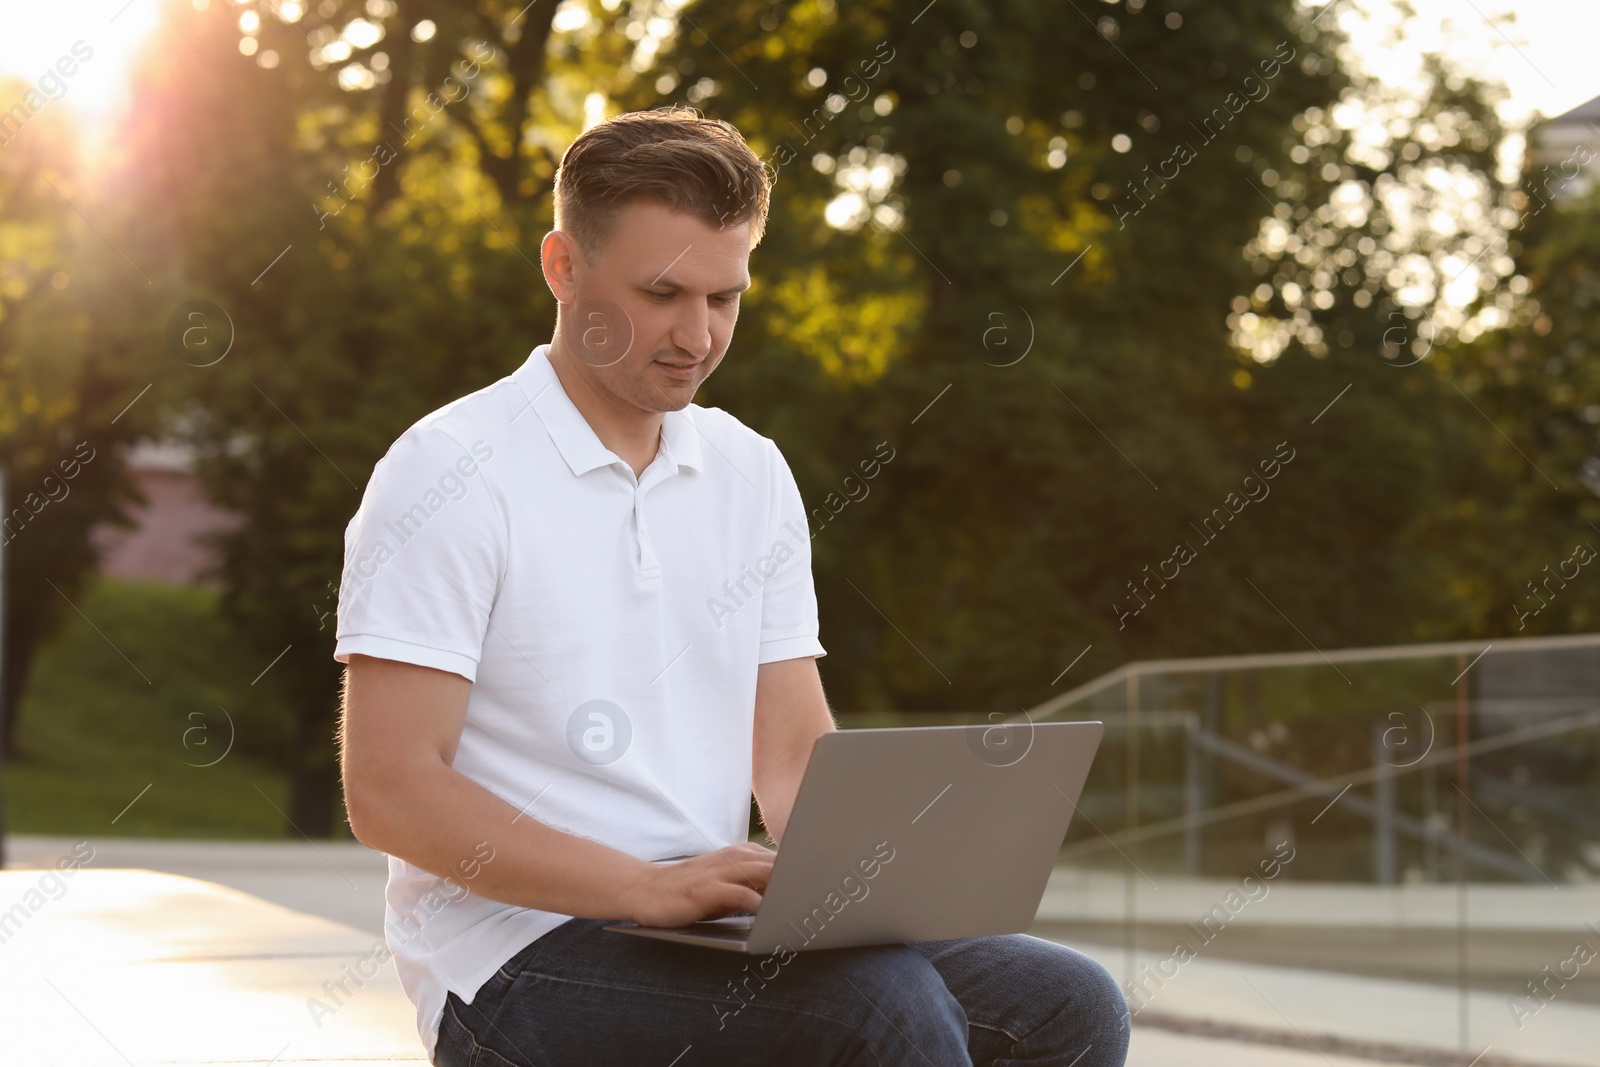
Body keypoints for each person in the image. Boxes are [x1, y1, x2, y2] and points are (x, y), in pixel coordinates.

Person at [335, 106, 1129, 1067]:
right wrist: (639, 885)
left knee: (1070, 1002)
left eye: (725, 297)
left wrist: (868, 884)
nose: (696, 335)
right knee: (879, 1011)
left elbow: (793, 758)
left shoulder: (750, 472)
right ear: (562, 266)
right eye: (662, 292)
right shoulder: (451, 469)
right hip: (511, 954)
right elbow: (390, 787)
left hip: (701, 920)